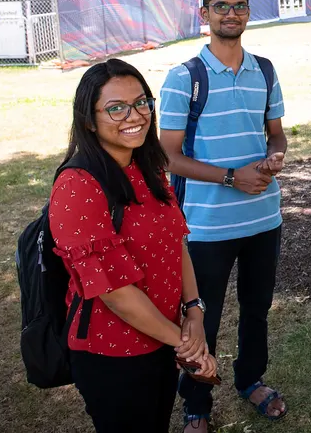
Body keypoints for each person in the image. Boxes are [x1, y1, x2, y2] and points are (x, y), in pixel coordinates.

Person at [50, 59, 217, 433]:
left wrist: (194, 312)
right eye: (116, 108)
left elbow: (177, 245)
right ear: (89, 119)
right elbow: (116, 295)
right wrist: (186, 345)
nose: (135, 115)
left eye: (142, 102)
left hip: (162, 339)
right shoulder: (78, 185)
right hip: (111, 353)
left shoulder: (149, 166)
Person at [161, 0, 289, 429]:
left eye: (239, 5)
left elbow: (276, 136)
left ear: (249, 12)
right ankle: (196, 403)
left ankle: (250, 379)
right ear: (205, 14)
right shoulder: (183, 79)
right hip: (206, 226)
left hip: (263, 220)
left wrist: (274, 158)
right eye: (221, 6)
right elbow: (170, 157)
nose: (231, 13)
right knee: (202, 319)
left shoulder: (266, 70)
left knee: (256, 310)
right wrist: (231, 176)